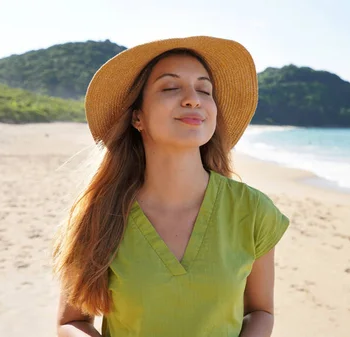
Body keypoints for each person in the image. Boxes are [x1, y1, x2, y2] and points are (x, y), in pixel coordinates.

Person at [52, 36, 290, 337]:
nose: (194, 99)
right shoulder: (99, 213)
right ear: (138, 116)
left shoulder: (253, 210)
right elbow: (71, 321)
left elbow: (260, 312)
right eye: (170, 87)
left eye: (205, 90)